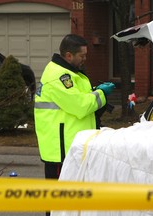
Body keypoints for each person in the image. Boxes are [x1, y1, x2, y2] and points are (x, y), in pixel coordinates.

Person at [34, 34, 114, 185]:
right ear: (69, 55)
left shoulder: (70, 73)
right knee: (58, 203)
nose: (85, 59)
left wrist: (96, 91)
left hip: (70, 148)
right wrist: (101, 93)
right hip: (61, 152)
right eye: (82, 56)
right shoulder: (58, 77)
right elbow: (81, 106)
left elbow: (79, 98)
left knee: (70, 202)